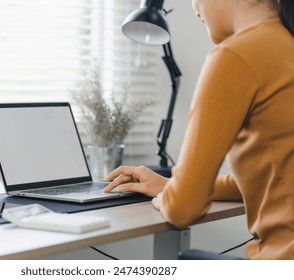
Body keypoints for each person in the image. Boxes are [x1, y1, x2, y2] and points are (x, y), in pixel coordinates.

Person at [104, 0, 294, 260]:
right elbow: (274, 179)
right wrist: (170, 185)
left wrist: (169, 197)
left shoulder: (237, 55)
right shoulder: (285, 45)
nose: (193, 7)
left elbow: (183, 210)